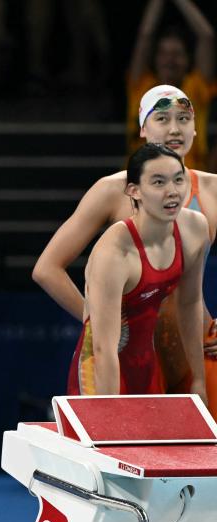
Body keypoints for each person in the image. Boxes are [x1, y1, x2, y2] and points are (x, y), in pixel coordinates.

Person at [32, 84, 217, 411]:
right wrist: (100, 322)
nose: (174, 128)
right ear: (143, 129)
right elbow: (47, 269)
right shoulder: (112, 191)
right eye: (162, 118)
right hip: (133, 349)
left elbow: (189, 297)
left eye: (183, 118)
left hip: (196, 350)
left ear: (196, 126)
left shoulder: (211, 194)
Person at [69, 144, 208, 402]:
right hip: (99, 369)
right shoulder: (114, 253)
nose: (173, 192)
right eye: (158, 182)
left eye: (179, 180)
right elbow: (103, 348)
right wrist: (109, 417)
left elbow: (190, 303)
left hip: (146, 364)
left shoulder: (195, 229)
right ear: (134, 191)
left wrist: (198, 380)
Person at [127, 0, 213, 171]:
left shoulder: (195, 89)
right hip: (144, 182)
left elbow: (206, 36)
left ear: (188, 61)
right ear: (155, 58)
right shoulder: (142, 87)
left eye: (177, 54)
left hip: (189, 183)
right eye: (163, 53)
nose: (169, 60)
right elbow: (146, 34)